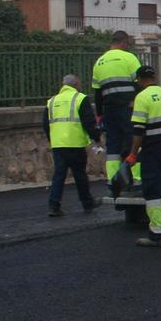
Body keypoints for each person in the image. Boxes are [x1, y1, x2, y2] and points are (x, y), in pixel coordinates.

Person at [125, 65, 161, 248]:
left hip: (151, 150)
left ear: (141, 81)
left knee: (151, 192)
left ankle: (156, 234)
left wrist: (133, 154)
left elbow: (138, 130)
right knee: (157, 189)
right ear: (155, 77)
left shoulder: (141, 97)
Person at [42, 74, 103, 217]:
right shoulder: (80, 98)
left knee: (59, 175)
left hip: (58, 144)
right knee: (80, 175)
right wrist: (96, 138)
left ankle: (53, 206)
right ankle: (87, 203)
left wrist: (53, 139)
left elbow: (45, 124)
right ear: (76, 84)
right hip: (75, 144)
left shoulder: (51, 101)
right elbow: (89, 122)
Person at [91, 30, 142, 187]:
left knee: (112, 144)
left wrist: (99, 115)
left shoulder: (99, 62)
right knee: (133, 140)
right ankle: (135, 177)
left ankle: (113, 179)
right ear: (124, 43)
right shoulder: (129, 58)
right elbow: (141, 82)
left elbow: (97, 93)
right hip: (128, 108)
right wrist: (137, 102)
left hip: (109, 109)